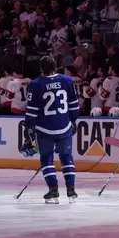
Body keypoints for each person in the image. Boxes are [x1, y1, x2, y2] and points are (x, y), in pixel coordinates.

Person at [23, 56, 80, 204]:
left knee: (46, 159)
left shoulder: (36, 84)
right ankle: (71, 190)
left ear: (41, 68)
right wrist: (73, 120)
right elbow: (74, 104)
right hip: (64, 126)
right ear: (56, 65)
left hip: (44, 129)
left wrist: (28, 128)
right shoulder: (67, 80)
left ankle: (53, 191)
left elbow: (31, 111)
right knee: (66, 157)